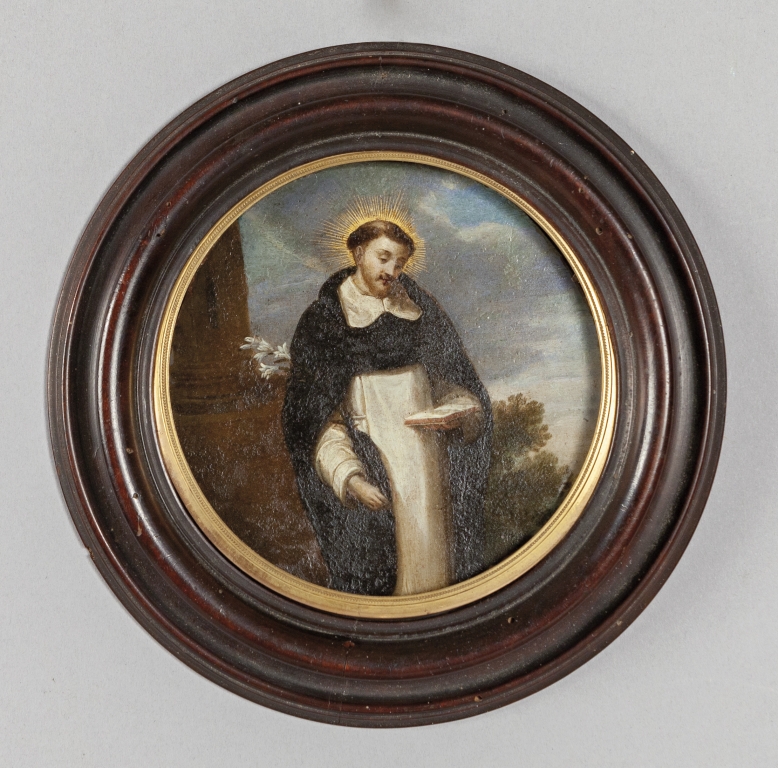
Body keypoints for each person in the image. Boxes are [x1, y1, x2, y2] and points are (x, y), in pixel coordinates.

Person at [282, 219, 492, 596]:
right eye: (383, 258)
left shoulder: (420, 310)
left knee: (436, 570)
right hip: (375, 465)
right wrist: (351, 478)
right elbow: (319, 422)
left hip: (429, 468)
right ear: (359, 253)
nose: (392, 271)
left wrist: (463, 411)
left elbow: (452, 383)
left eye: (400, 263)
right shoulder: (325, 321)